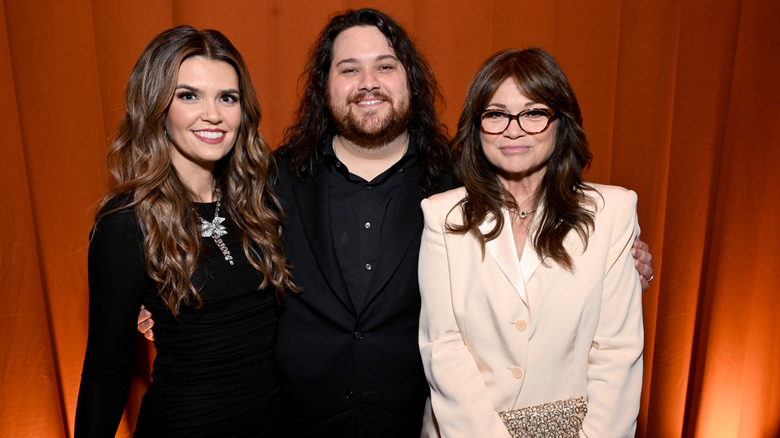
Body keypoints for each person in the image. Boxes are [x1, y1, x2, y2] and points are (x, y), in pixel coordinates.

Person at [138, 9, 654, 437]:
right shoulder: (269, 180)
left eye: (385, 66)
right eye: (349, 69)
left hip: (421, 425)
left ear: (412, 79)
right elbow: (200, 234)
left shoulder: (462, 189)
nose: (368, 83)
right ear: (324, 86)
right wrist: (161, 292)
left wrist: (625, 265)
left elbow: (538, 255)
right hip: (292, 426)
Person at [75, 26, 295, 437]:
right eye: (188, 95)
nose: (213, 114)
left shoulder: (263, 198)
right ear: (157, 106)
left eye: (227, 98)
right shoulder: (126, 223)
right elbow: (106, 372)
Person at [417, 47, 644, 438]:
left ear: (561, 122)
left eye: (534, 113)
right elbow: (444, 348)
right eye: (496, 114)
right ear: (477, 126)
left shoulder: (614, 212)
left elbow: (617, 354)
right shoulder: (442, 216)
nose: (514, 128)